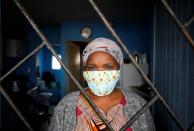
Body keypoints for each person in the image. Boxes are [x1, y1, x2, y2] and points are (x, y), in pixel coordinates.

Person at [48, 38, 155, 131]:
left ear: (118, 69)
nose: (99, 74)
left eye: (108, 67)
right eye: (92, 67)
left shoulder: (138, 105)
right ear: (84, 70)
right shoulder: (66, 105)